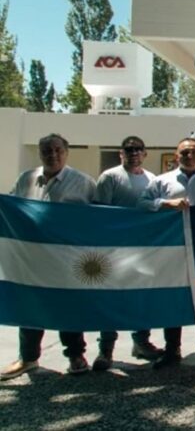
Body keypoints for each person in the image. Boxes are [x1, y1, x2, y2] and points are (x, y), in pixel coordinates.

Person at [0, 134, 96, 380]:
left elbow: (97, 220)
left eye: (57, 150)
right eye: (46, 151)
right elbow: (12, 208)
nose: (52, 155)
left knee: (68, 308)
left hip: (66, 260)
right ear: (40, 153)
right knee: (30, 307)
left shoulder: (83, 182)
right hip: (31, 259)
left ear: (66, 151)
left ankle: (76, 355)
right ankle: (28, 358)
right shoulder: (26, 179)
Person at [139, 137, 195, 369]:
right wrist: (164, 204)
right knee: (173, 296)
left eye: (193, 152)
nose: (189, 156)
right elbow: (142, 204)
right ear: (177, 156)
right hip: (172, 247)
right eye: (184, 153)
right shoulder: (162, 181)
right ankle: (172, 349)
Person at [91, 136, 164, 371]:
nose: (133, 153)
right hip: (113, 249)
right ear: (121, 153)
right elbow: (99, 213)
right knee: (111, 297)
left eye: (138, 150)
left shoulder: (152, 179)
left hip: (142, 249)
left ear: (144, 154)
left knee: (141, 297)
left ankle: (141, 342)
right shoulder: (110, 177)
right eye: (128, 149)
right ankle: (106, 350)